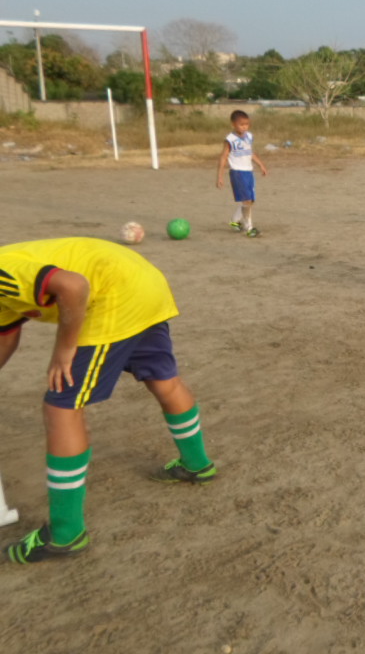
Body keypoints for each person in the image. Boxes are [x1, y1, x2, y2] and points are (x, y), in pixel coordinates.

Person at [0, 237, 216, 564]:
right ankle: (197, 465)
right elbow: (6, 337)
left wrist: (64, 349)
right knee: (163, 380)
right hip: (141, 281)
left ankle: (66, 533)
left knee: (61, 405)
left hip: (112, 293)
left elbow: (72, 286)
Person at [216, 109, 268, 238]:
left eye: (247, 124)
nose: (244, 127)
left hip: (248, 171)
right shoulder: (230, 139)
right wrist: (220, 176)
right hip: (238, 172)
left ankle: (234, 221)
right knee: (247, 200)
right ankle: (249, 228)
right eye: (241, 124)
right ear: (233, 124)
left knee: (251, 201)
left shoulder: (249, 136)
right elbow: (223, 157)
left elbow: (250, 153)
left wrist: (260, 164)